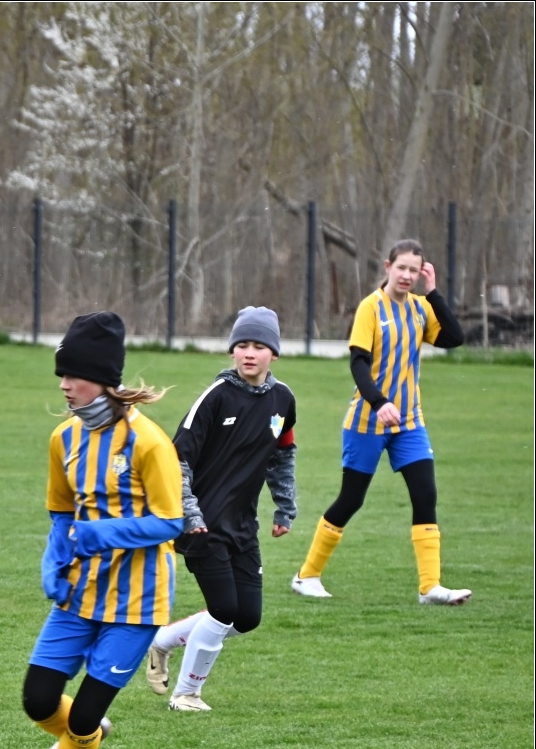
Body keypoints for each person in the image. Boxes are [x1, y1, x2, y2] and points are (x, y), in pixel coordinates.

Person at [22, 312, 183, 749]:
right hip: (80, 592)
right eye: (61, 376)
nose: (65, 386)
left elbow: (170, 521)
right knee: (38, 699)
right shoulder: (63, 438)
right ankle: (82, 734)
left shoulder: (148, 441)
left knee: (83, 715)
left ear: (103, 379)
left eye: (75, 376)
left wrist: (101, 534)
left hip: (137, 601)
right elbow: (61, 513)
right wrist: (53, 559)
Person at [292, 238, 469, 605]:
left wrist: (434, 293)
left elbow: (455, 337)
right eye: (401, 267)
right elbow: (358, 362)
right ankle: (306, 576)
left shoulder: (420, 308)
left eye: (414, 270)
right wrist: (379, 402)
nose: (407, 275)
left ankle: (430, 587)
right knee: (351, 499)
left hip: (409, 423)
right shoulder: (370, 308)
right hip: (366, 422)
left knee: (425, 495)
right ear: (388, 267)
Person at [145, 307, 299, 711]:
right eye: (242, 345)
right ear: (232, 351)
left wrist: (284, 508)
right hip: (201, 523)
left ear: (274, 353)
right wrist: (190, 514)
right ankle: (186, 694)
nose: (249, 353)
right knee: (223, 609)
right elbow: (176, 460)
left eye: (259, 346)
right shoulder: (216, 397)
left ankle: (161, 641)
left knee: (246, 617)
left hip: (243, 524)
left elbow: (282, 455)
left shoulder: (283, 400)